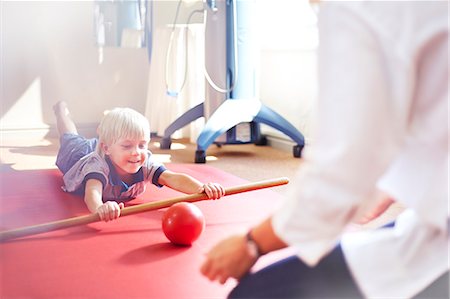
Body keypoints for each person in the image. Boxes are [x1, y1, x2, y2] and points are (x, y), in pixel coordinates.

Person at [200, 1, 448, 298]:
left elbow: (340, 176)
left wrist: (252, 244)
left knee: (253, 294)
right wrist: (393, 183)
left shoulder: (354, 9)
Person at [54, 101, 225, 222]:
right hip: (78, 155)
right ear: (106, 148)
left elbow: (172, 178)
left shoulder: (144, 162)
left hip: (107, 147)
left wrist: (202, 188)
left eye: (142, 145)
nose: (136, 153)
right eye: (127, 146)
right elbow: (92, 193)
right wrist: (100, 207)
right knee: (70, 137)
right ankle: (61, 112)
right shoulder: (97, 166)